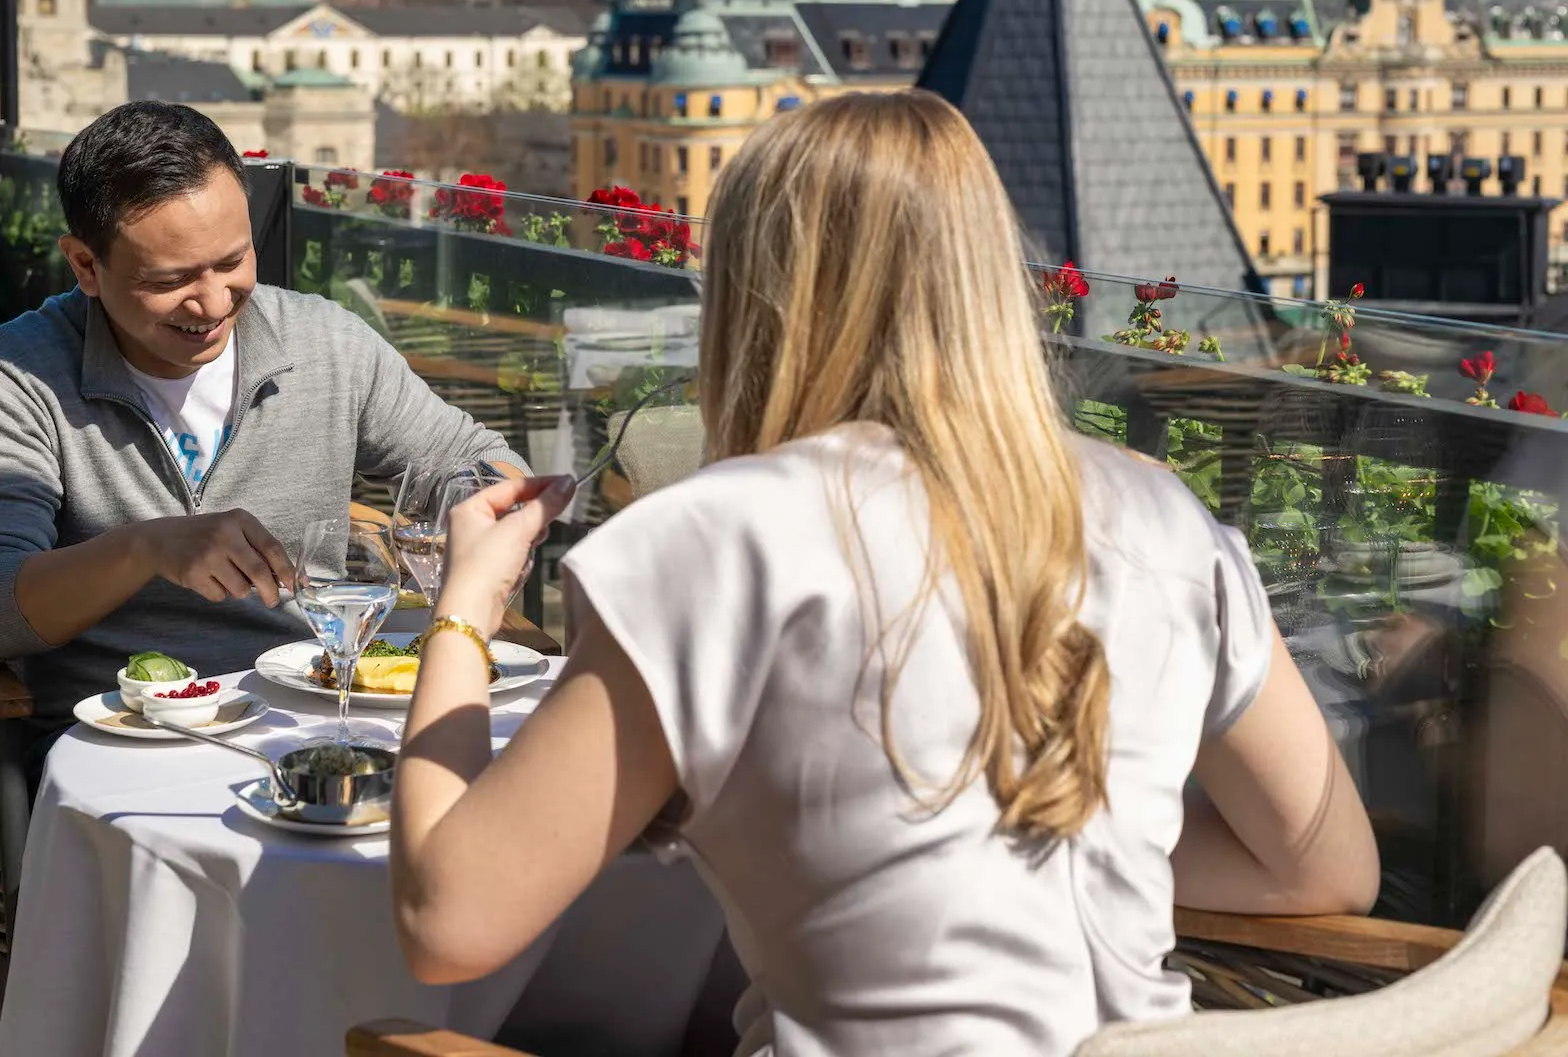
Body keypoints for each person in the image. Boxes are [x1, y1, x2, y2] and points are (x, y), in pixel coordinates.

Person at [386, 91, 1378, 1057]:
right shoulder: (1164, 516)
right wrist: (1064, 846)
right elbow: (1326, 868)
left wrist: (467, 601)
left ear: (749, 299)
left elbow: (448, 918)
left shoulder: (722, 541)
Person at [0, 101, 524, 729]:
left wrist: (497, 506)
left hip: (312, 715)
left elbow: (471, 462)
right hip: (120, 741)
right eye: (171, 280)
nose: (214, 303)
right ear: (85, 265)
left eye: (233, 261)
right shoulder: (22, 374)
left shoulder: (325, 345)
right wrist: (143, 549)